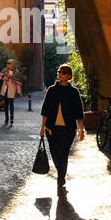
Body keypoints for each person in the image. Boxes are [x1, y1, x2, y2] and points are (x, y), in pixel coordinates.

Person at [40, 63, 85, 197]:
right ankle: (61, 176)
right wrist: (42, 128)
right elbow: (45, 110)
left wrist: (81, 130)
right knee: (55, 154)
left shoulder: (74, 92)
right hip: (51, 129)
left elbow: (79, 112)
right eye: (59, 72)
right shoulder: (51, 90)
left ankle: (60, 180)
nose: (60, 74)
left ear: (70, 76)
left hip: (68, 129)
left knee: (63, 154)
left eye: (64, 72)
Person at [0, 59, 22, 126]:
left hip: (12, 89)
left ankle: (11, 118)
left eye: (9, 63)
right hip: (5, 89)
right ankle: (6, 118)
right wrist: (3, 78)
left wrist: (19, 92)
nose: (8, 64)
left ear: (13, 64)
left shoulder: (16, 72)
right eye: (7, 63)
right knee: (5, 104)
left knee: (11, 104)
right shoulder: (4, 70)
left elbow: (17, 83)